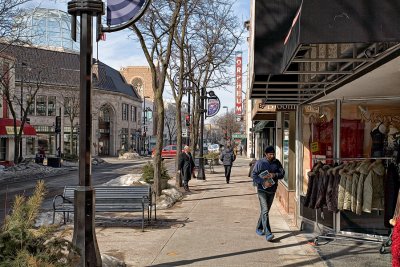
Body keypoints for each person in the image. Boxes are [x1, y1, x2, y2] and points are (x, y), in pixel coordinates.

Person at [252, 146, 285, 241]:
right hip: (262, 190)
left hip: (272, 190)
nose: (272, 156)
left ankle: (259, 228)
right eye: (270, 154)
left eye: (273, 154)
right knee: (265, 210)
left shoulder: (277, 163)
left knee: (265, 211)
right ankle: (268, 233)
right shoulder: (260, 163)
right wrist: (262, 182)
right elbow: (253, 175)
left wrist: (274, 175)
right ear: (265, 154)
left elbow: (282, 174)